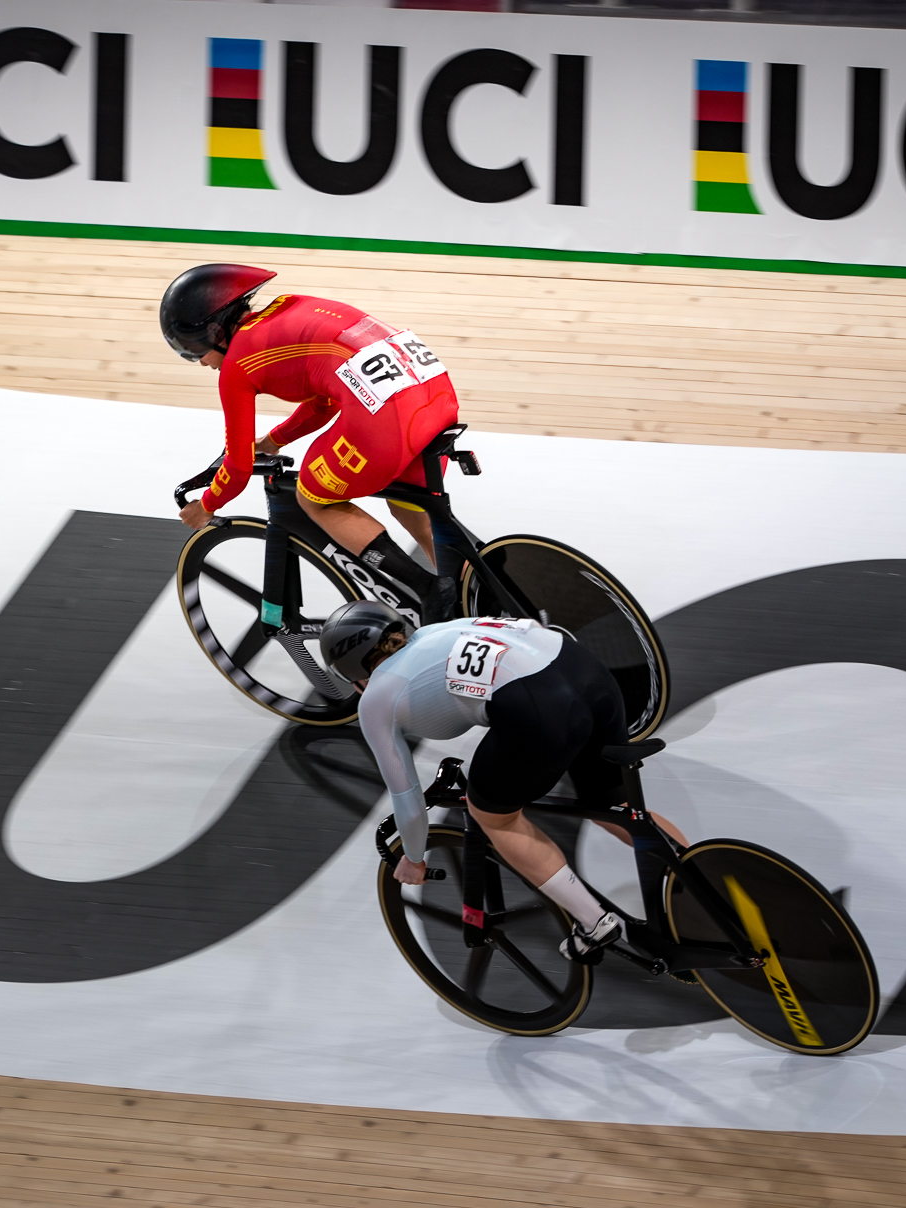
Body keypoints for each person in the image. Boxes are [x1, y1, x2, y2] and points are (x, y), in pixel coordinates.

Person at [320, 600, 688, 961]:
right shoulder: (436, 632)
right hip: (584, 670)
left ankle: (595, 924)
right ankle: (701, 879)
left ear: (354, 673)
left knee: (496, 816)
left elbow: (406, 798)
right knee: (611, 806)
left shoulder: (374, 699)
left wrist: (414, 858)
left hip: (541, 705)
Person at [161, 262, 461, 623]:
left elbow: (238, 467)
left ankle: (430, 590)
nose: (198, 361)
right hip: (436, 396)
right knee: (409, 506)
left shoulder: (238, 366)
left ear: (214, 330)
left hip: (390, 418)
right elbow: (327, 399)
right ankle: (470, 598)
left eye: (191, 348)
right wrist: (274, 440)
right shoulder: (289, 304)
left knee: (313, 495)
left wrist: (206, 505)